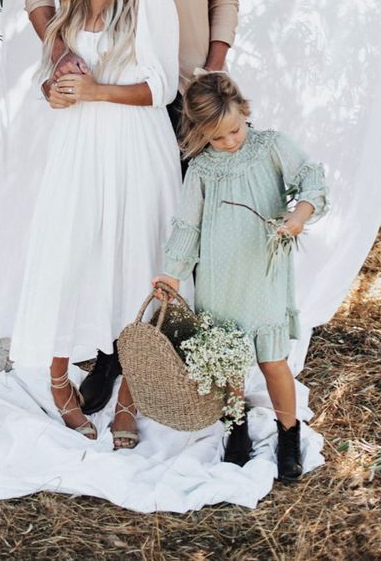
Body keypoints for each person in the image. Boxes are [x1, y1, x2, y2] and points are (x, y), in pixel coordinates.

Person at [25, 0, 241, 411]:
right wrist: (60, 54)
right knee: (113, 229)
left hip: (186, 91)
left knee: (175, 230)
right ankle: (114, 361)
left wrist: (212, 74)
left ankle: (182, 361)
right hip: (107, 102)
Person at [9, 0, 181, 450]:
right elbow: (58, 81)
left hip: (137, 146)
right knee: (71, 255)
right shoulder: (70, 5)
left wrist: (94, 91)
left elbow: (159, 87)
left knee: (137, 263)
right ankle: (58, 381)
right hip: (79, 147)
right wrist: (55, 92)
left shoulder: (153, 2)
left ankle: (129, 398)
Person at [153, 72, 328, 482]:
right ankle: (236, 427)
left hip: (262, 272)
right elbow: (187, 226)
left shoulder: (270, 147)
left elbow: (311, 179)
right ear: (200, 134)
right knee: (228, 360)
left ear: (244, 111)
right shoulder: (201, 169)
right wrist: (172, 273)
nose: (230, 142)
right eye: (217, 137)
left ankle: (288, 433)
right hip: (218, 277)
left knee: (272, 361)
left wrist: (298, 217)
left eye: (234, 130)